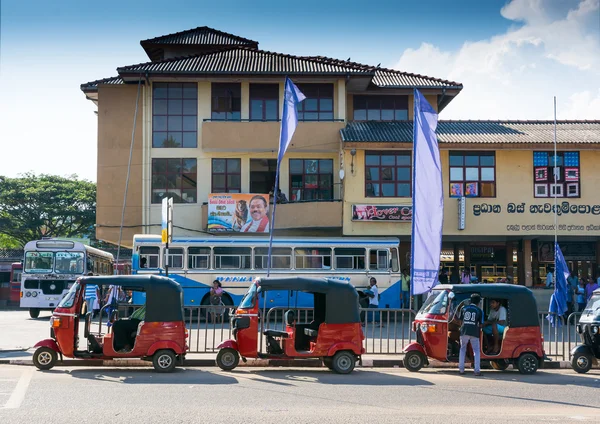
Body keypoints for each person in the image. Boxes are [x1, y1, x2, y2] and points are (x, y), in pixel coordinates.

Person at [457, 293, 484, 376]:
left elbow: (460, 321)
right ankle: (477, 371)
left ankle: (461, 370)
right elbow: (481, 324)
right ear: (479, 302)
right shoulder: (479, 311)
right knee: (476, 351)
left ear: (470, 301)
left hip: (464, 331)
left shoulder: (464, 308)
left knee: (462, 349)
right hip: (474, 332)